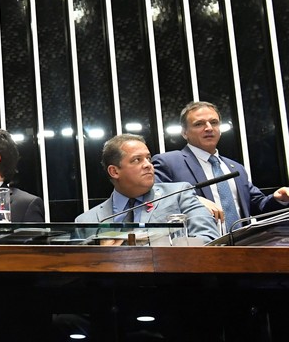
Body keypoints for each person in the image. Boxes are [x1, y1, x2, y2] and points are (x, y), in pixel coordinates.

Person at [152, 101, 289, 229]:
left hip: (243, 246)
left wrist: (279, 199)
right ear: (184, 133)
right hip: (200, 246)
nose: (209, 128)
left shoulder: (236, 168)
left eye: (214, 122)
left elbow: (258, 206)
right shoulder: (168, 162)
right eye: (199, 124)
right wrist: (192, 200)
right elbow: (155, 199)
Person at [75, 134, 220, 242]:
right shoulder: (86, 221)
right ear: (114, 171)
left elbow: (209, 239)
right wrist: (103, 259)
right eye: (137, 160)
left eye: (148, 158)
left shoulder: (178, 194)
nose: (148, 165)